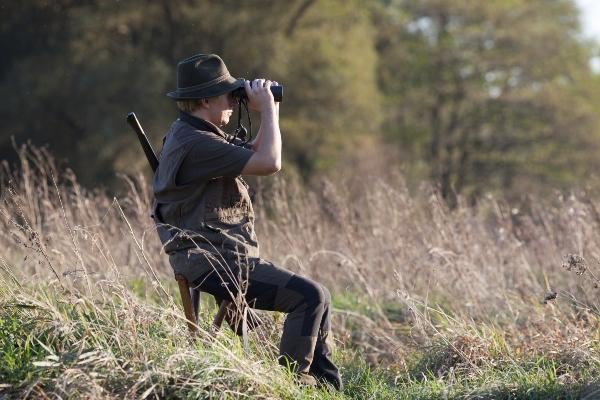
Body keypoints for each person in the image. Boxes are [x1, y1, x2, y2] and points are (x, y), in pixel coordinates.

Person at [152, 53, 342, 390]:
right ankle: (290, 386)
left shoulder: (190, 132)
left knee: (318, 295)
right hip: (216, 264)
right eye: (229, 94)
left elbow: (256, 150)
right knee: (310, 296)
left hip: (215, 258)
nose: (233, 101)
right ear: (206, 99)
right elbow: (269, 161)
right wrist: (266, 109)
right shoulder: (197, 143)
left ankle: (327, 390)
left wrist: (272, 108)